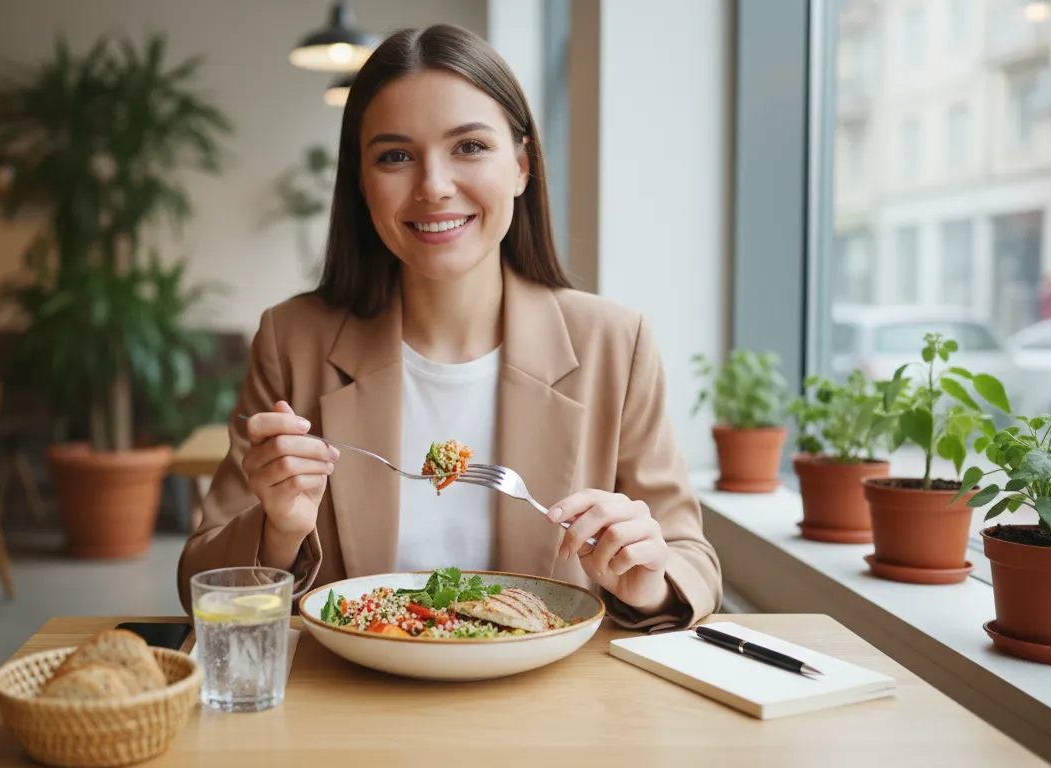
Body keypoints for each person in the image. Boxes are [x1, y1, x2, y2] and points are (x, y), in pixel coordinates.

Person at [177, 25, 721, 631]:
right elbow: (200, 577)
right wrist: (278, 531)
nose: (434, 186)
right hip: (350, 704)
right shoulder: (293, 339)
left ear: (521, 165)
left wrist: (645, 581)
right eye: (395, 156)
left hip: (553, 708)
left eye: (468, 147)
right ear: (362, 184)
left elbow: (690, 558)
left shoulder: (615, 342)